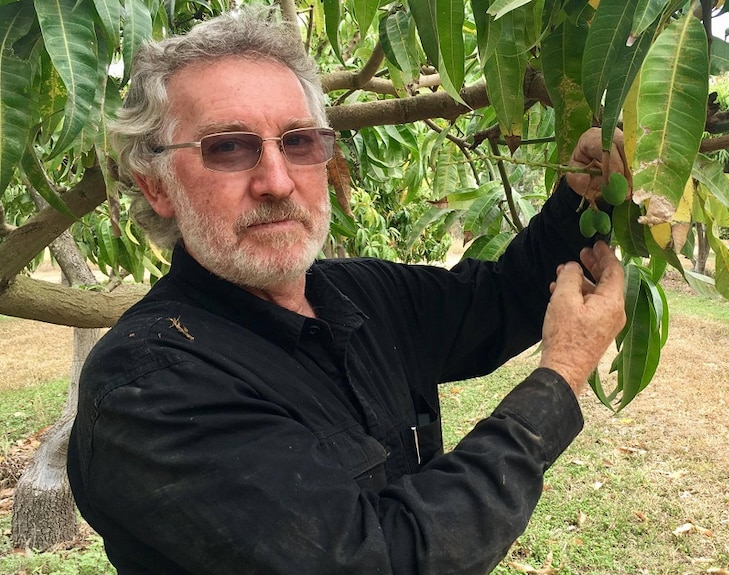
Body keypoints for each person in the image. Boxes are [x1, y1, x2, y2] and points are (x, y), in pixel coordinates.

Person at [66, 8, 627, 575]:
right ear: (156, 185)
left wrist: (580, 199)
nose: (277, 182)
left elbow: (501, 299)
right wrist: (560, 379)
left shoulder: (358, 292)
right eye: (229, 148)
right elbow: (381, 560)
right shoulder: (149, 387)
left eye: (299, 142)